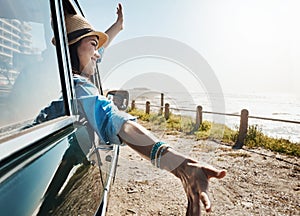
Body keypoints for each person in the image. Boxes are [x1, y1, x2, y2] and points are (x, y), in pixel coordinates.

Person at [55, 3, 227, 215]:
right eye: (93, 45)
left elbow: (96, 52)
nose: (98, 55)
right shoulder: (79, 88)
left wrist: (118, 27)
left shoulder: (58, 84)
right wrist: (182, 165)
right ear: (71, 46)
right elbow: (114, 120)